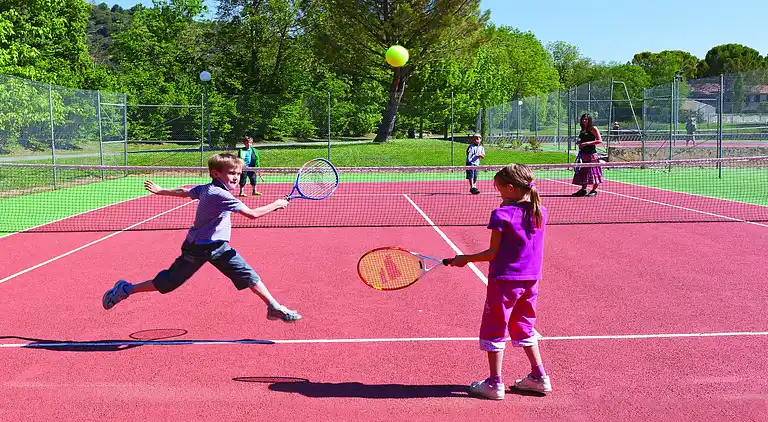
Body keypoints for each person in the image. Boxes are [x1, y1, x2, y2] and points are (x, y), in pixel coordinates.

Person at [101, 153, 302, 322]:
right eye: (231, 173)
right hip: (197, 248)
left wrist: (162, 191)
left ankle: (273, 306)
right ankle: (125, 289)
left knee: (248, 274)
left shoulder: (207, 188)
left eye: (239, 174)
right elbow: (252, 214)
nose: (236, 177)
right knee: (168, 283)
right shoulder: (220, 195)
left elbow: (186, 192)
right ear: (216, 173)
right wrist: (277, 204)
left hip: (218, 248)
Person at [449, 163, 551, 400]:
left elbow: (492, 253)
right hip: (531, 281)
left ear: (510, 188)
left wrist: (465, 259)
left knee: (494, 327)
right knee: (524, 326)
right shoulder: (540, 211)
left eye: (499, 190)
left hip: (504, 281)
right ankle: (539, 376)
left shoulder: (501, 214)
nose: (498, 194)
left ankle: (495, 384)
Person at [572, 113, 603, 197]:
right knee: (583, 173)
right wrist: (579, 142)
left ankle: (594, 190)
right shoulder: (582, 130)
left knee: (594, 173)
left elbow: (599, 140)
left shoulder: (593, 128)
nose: (584, 121)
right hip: (582, 155)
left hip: (592, 155)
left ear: (589, 120)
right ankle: (583, 190)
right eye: (583, 119)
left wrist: (586, 143)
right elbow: (581, 140)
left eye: (586, 119)